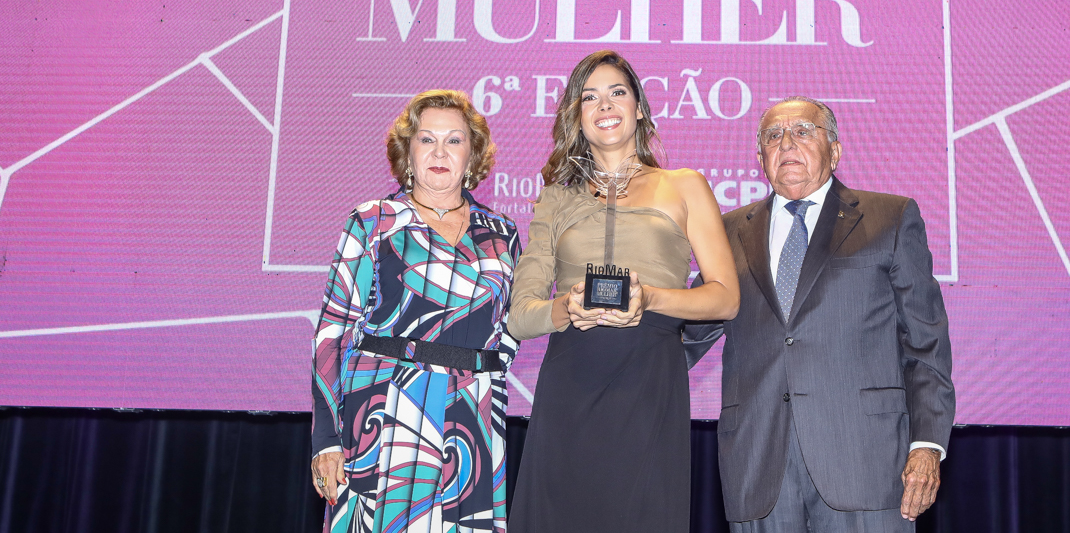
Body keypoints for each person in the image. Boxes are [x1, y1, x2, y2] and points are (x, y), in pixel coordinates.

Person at [684, 97, 955, 533]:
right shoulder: (729, 232)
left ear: (835, 150)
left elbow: (925, 343)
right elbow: (686, 334)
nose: (786, 143)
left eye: (803, 131)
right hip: (758, 462)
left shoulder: (890, 218)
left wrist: (926, 445)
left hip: (865, 461)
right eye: (773, 136)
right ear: (760, 158)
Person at [507, 50, 740, 533]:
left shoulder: (685, 185)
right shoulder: (555, 197)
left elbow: (725, 298)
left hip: (650, 384)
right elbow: (520, 317)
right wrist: (565, 308)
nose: (605, 105)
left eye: (617, 92)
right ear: (576, 116)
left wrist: (650, 298)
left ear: (639, 107)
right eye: (589, 97)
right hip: (569, 386)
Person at [309, 90, 521, 533]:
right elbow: (332, 333)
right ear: (408, 152)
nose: (440, 152)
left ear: (473, 154)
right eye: (427, 140)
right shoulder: (373, 221)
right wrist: (326, 439)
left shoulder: (503, 234)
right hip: (386, 411)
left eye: (454, 140)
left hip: (474, 416)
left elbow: (511, 328)